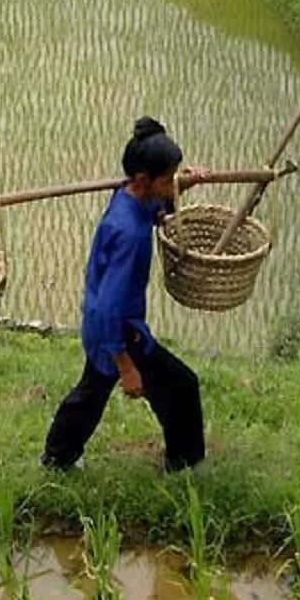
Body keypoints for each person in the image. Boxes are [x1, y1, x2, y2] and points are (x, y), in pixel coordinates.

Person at [41, 117, 205, 474]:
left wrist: (181, 187)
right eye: (168, 179)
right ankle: (184, 465)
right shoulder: (129, 234)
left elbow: (155, 209)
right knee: (182, 387)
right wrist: (126, 366)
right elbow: (108, 305)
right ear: (145, 180)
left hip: (105, 327)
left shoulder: (128, 197)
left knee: (91, 394)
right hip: (118, 330)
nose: (172, 183)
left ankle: (58, 456)